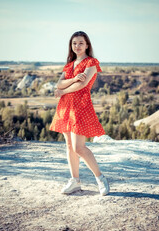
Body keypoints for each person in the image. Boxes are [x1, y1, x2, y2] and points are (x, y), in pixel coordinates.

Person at [49, 31, 110, 196]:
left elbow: (82, 86)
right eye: (74, 43)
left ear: (87, 45)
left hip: (81, 107)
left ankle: (100, 178)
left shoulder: (91, 62)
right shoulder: (69, 65)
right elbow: (59, 83)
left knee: (79, 147)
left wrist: (62, 91)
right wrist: (73, 79)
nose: (77, 46)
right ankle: (75, 181)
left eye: (81, 43)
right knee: (69, 145)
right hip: (65, 107)